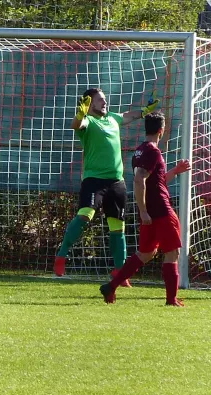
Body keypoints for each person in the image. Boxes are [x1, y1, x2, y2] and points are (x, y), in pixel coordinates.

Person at [54, 88, 160, 287]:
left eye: (105, 99)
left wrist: (146, 111)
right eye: (100, 100)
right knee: (85, 216)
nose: (105, 103)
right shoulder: (88, 121)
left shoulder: (112, 118)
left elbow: (130, 116)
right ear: (90, 104)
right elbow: (75, 125)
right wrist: (80, 113)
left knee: (117, 227)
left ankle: (120, 273)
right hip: (94, 181)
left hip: (116, 182)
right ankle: (61, 255)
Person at [99, 111, 190, 306]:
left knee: (146, 254)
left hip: (150, 211)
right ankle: (171, 300)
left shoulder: (139, 150)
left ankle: (112, 286)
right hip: (160, 210)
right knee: (172, 252)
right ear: (161, 130)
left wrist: (175, 170)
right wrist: (143, 210)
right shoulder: (153, 151)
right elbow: (139, 179)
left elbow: (156, 181)